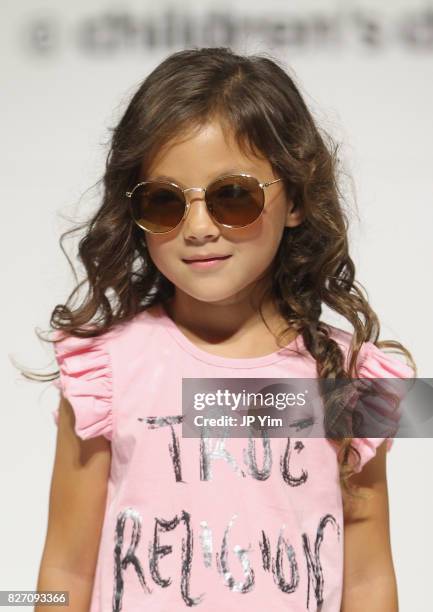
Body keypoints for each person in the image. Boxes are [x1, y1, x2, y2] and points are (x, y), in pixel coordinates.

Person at [33, 47, 416, 611]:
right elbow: (65, 570)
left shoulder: (355, 379)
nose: (198, 228)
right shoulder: (104, 374)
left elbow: (368, 580)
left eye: (232, 197)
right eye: (165, 202)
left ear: (297, 198)